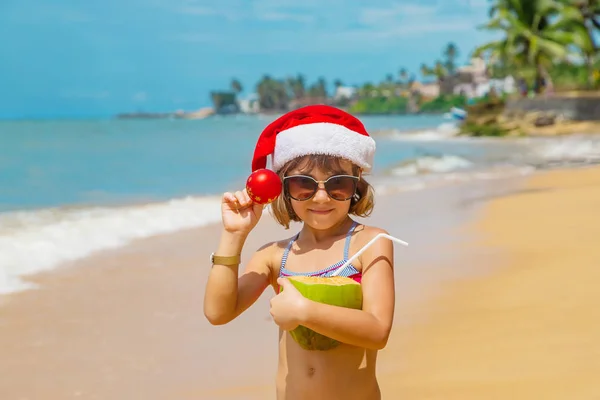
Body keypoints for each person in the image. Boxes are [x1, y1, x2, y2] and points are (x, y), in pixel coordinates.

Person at [203, 104, 395, 400]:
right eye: (303, 185)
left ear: (356, 186)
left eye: (338, 184)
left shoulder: (369, 243)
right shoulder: (274, 256)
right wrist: (233, 235)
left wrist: (305, 311)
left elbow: (378, 330)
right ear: (283, 188)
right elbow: (218, 312)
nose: (320, 197)